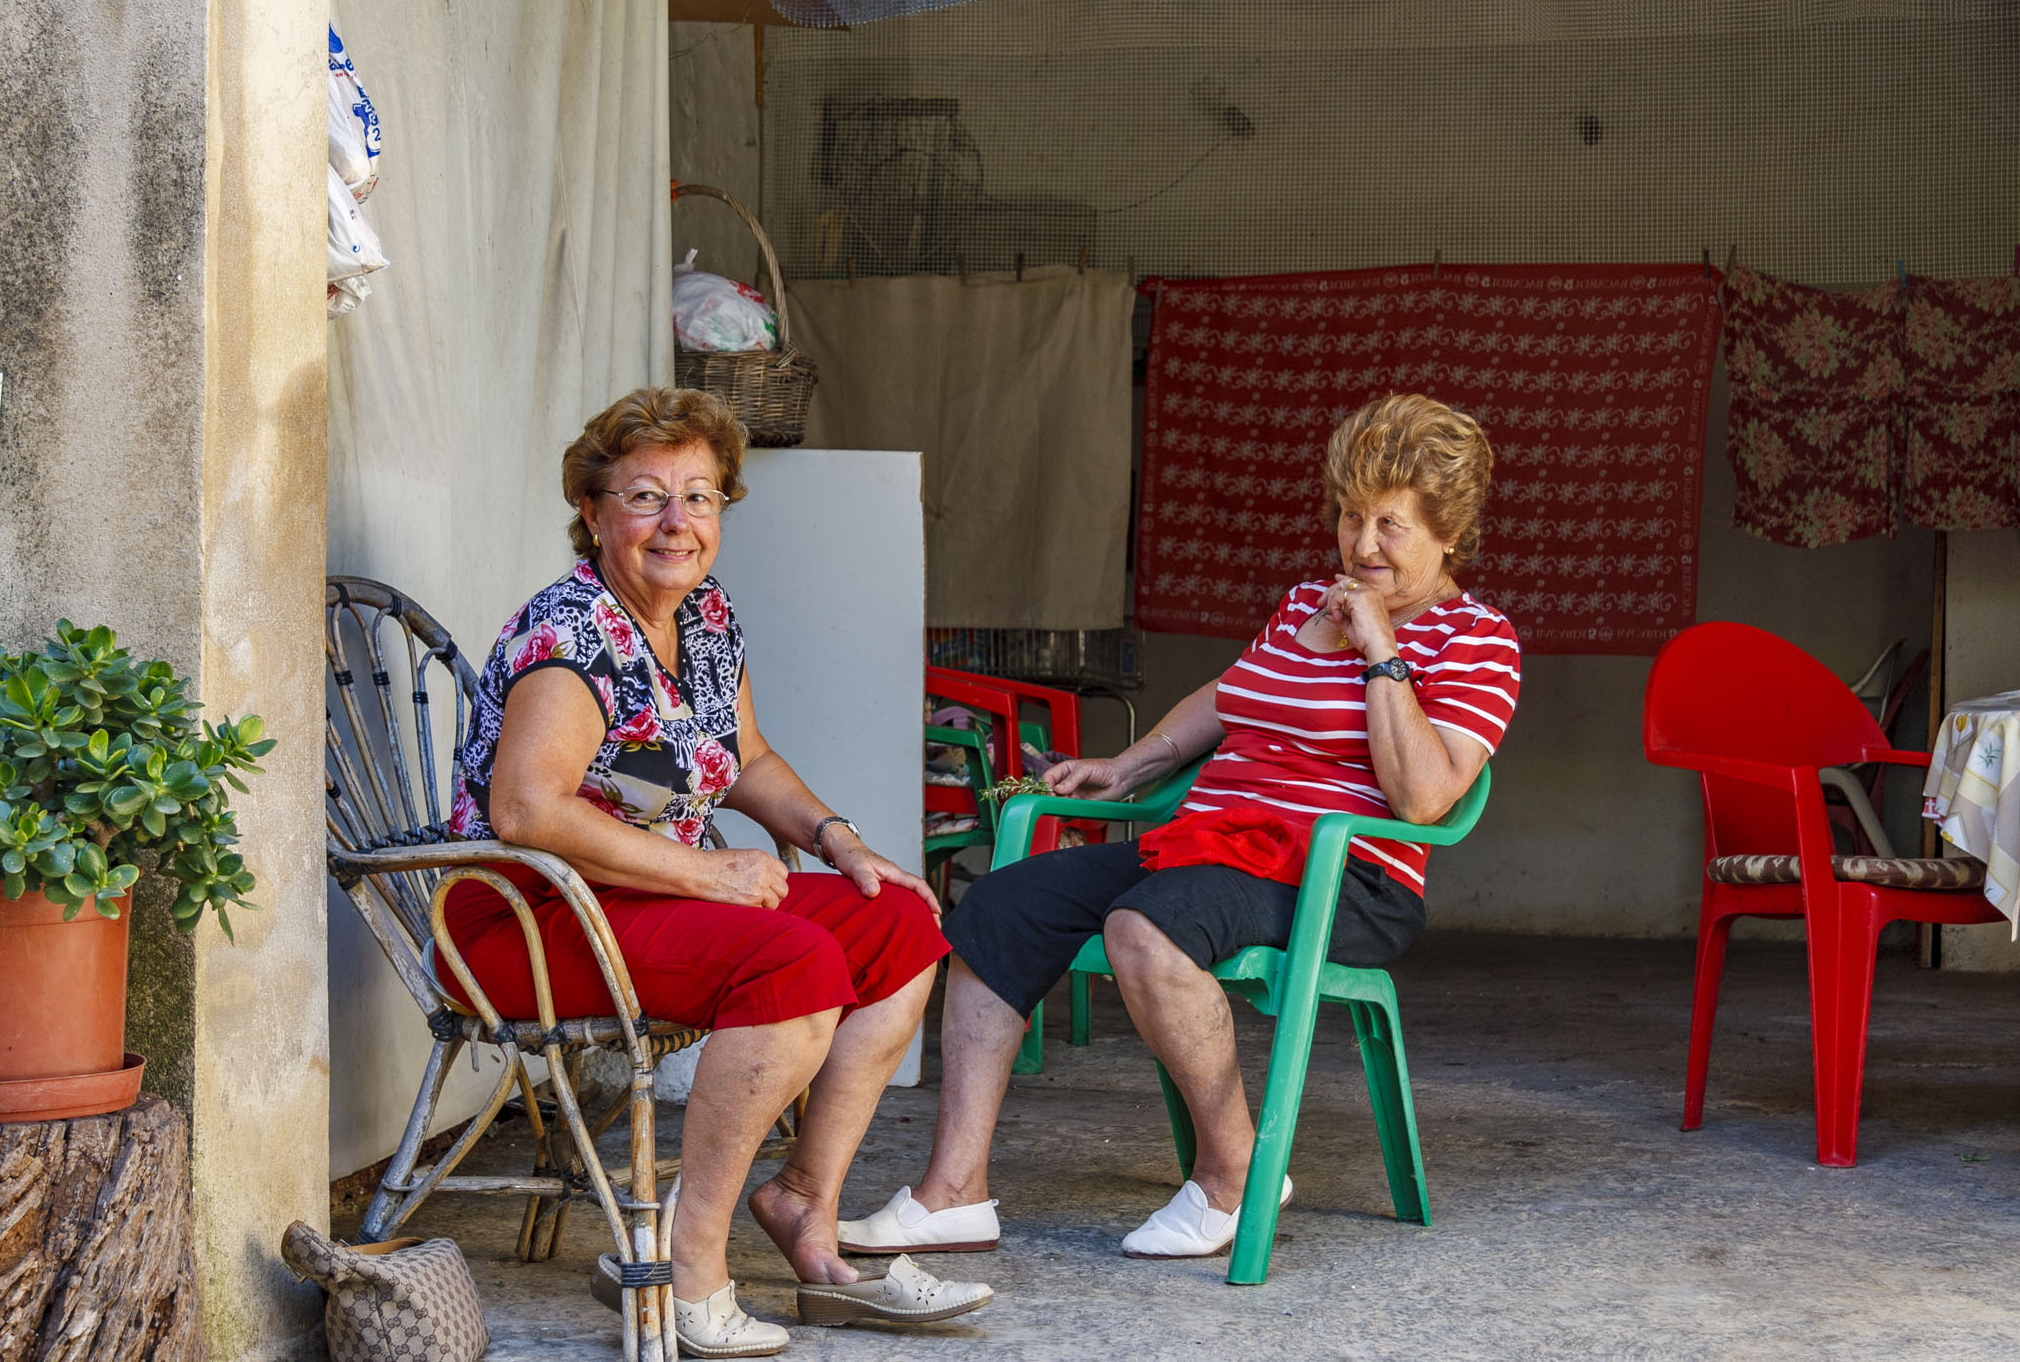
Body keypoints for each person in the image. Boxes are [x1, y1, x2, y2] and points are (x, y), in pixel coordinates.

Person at [840, 392, 1521, 1263]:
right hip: (1204, 846)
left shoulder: (1476, 639)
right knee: (994, 913)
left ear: (1448, 534)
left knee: (1145, 928)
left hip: (1344, 872)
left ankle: (1233, 1173)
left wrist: (1381, 647)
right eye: (1351, 517)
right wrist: (1134, 766)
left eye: (1390, 524)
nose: (1361, 545)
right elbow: (1228, 697)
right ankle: (954, 1192)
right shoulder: (1305, 602)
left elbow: (1424, 797)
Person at [441, 387, 991, 1357]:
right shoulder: (572, 631)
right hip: (523, 916)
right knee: (791, 966)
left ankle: (801, 1208)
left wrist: (836, 838)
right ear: (593, 512)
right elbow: (525, 808)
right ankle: (685, 1267)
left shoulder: (704, 619)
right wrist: (706, 877)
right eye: (646, 496)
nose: (675, 522)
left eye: (698, 497)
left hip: (640, 900)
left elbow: (744, 759)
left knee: (901, 926)